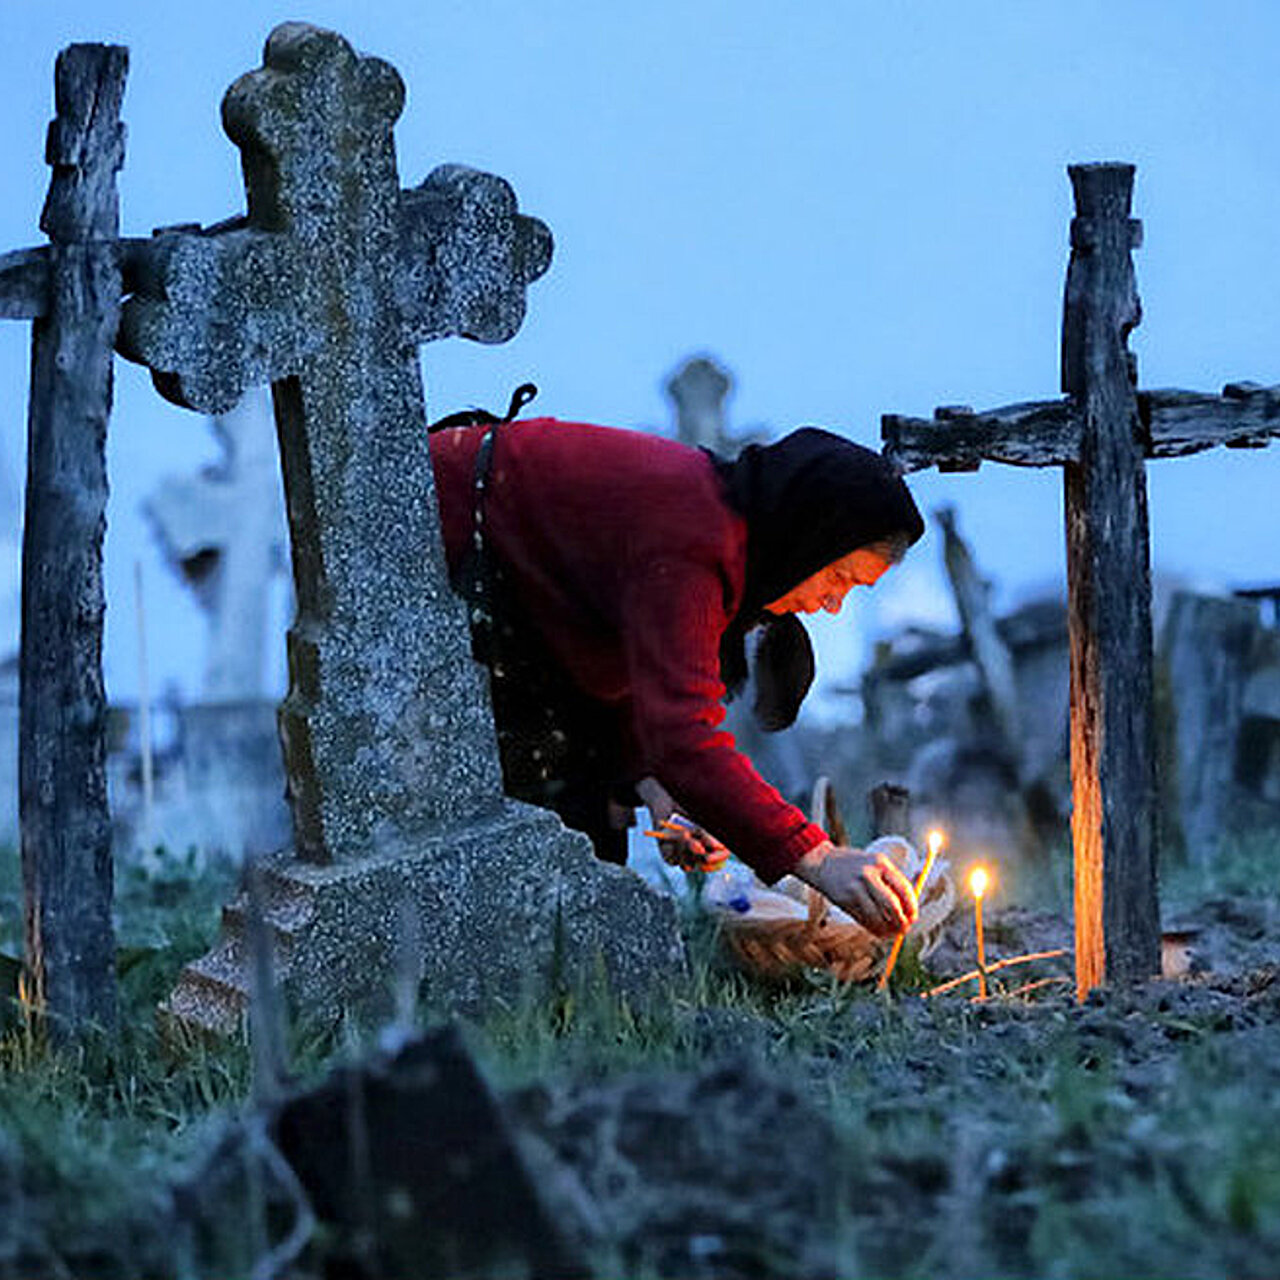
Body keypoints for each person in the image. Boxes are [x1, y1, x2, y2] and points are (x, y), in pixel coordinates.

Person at [427, 393, 925, 938]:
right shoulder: (692, 540)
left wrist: (657, 788)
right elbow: (682, 735)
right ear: (808, 539)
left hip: (521, 603)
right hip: (440, 531)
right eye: (840, 578)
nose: (832, 605)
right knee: (554, 816)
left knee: (583, 827)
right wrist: (818, 858)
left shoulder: (722, 538)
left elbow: (630, 655)